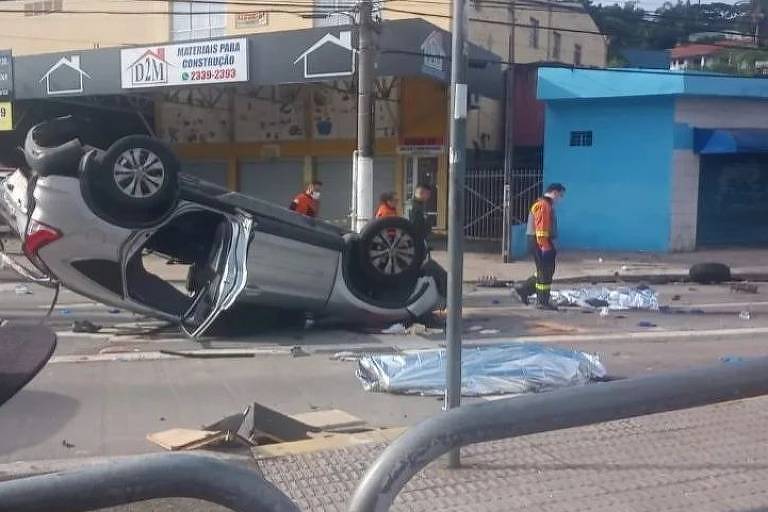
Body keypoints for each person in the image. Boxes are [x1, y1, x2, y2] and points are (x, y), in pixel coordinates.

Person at [515, 183, 566, 310]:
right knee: (545, 271)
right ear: (554, 193)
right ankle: (542, 301)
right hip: (540, 242)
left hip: (541, 241)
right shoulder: (543, 206)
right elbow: (541, 229)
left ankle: (524, 290)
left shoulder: (546, 205)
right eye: (560, 195)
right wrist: (545, 246)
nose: (560, 199)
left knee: (544, 270)